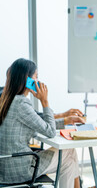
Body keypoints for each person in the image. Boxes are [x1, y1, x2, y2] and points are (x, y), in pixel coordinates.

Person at [0, 58, 81, 188]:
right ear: (28, 80)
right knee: (69, 152)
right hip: (20, 169)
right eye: (36, 77)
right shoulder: (21, 103)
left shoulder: (6, 99)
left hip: (4, 168)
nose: (38, 81)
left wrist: (65, 121)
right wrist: (45, 101)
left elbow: (38, 122)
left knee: (69, 157)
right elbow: (49, 131)